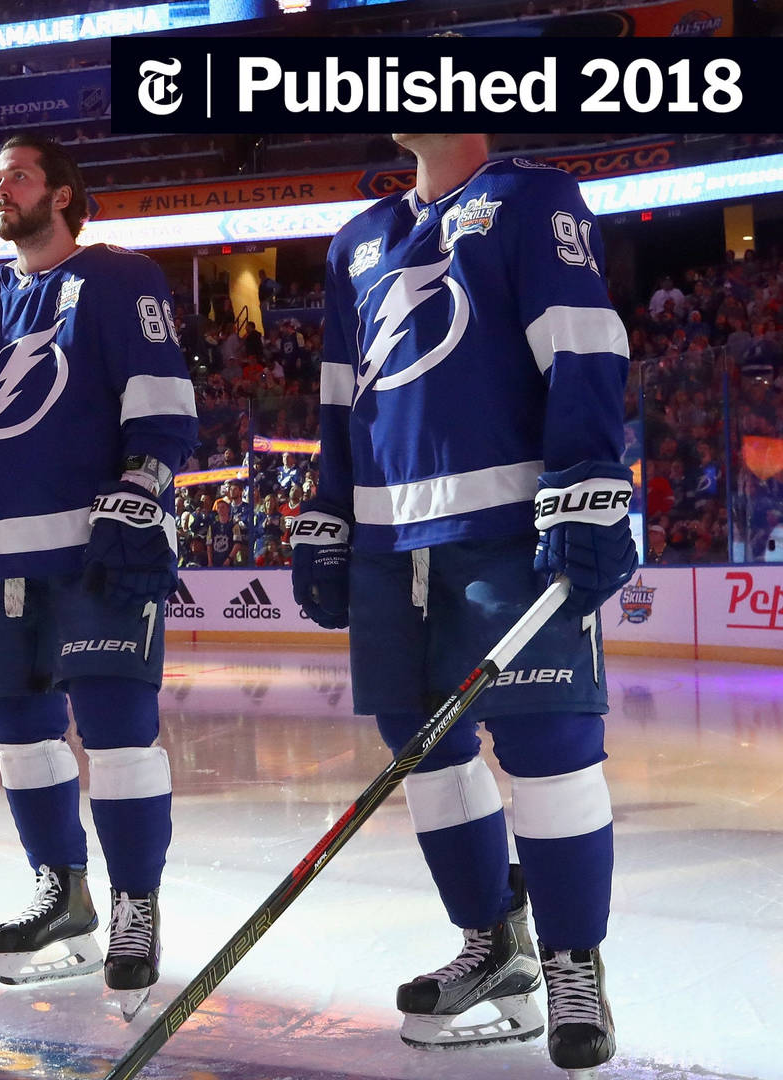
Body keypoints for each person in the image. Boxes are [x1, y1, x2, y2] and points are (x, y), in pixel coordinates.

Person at [291, 135, 632, 1074]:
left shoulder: (533, 196)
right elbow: (337, 397)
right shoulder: (358, 239)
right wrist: (327, 509)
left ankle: (572, 961)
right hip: (388, 542)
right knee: (427, 758)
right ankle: (494, 944)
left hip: (508, 528)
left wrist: (590, 474)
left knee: (550, 748)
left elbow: (582, 340)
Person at [0, 134, 196, 1012]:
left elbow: (161, 401)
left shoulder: (119, 280)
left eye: (19, 176)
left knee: (115, 731)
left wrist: (145, 488)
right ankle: (60, 891)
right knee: (22, 737)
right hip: (1, 556)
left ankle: (134, 904)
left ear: (63, 194)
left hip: (94, 548)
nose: (1, 189)